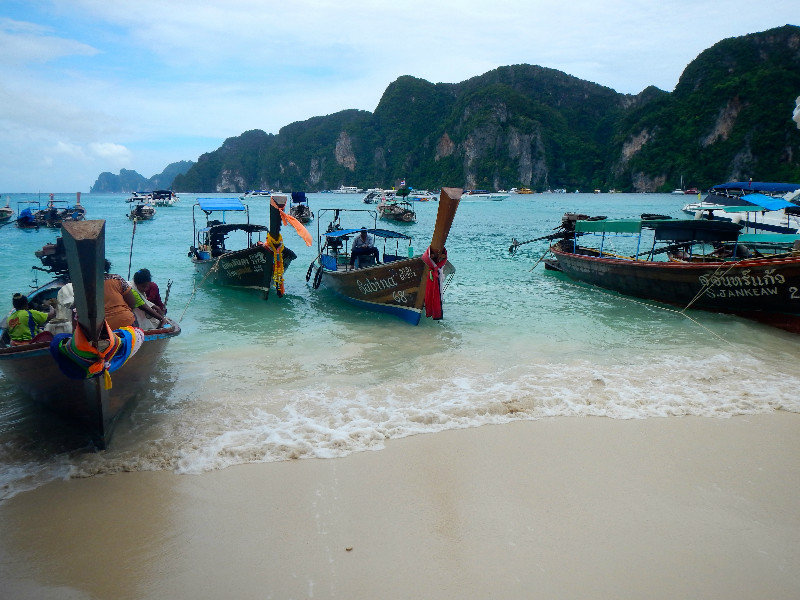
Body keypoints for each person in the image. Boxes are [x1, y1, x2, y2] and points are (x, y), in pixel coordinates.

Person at [104, 260, 164, 330]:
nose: (145, 289)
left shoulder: (89, 283)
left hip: (103, 324)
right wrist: (162, 318)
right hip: (126, 320)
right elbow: (134, 304)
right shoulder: (118, 279)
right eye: (143, 286)